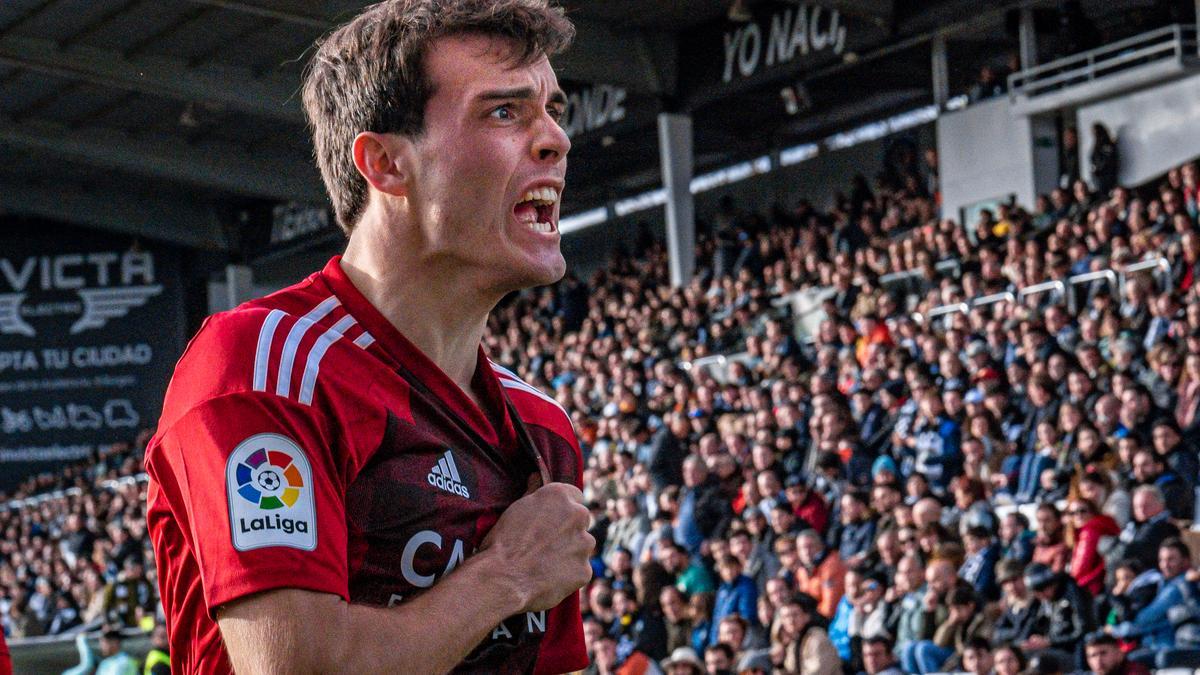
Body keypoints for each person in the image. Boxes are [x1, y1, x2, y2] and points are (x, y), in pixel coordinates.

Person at [143, 1, 594, 671]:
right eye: (505, 111)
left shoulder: (542, 425)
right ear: (384, 163)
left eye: (555, 109)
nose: (555, 138)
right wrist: (505, 574)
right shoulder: (265, 369)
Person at [64, 626, 139, 675]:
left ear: (115, 643)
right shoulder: (105, 663)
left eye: (104, 642)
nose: (102, 646)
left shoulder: (125, 662)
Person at [1085, 633, 1150, 675]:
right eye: (1093, 655)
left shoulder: (1135, 671)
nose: (1098, 660)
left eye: (1103, 653)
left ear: (1119, 653)